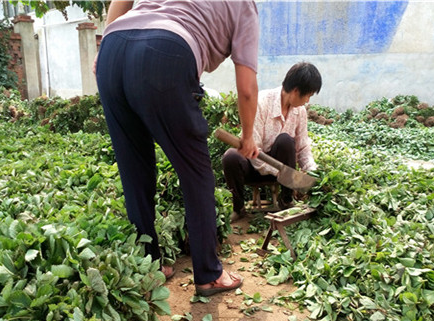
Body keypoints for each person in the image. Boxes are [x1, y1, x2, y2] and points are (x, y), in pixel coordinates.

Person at [95, 0, 260, 296]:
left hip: (112, 50)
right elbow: (246, 88)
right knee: (196, 173)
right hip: (165, 53)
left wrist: (108, 40)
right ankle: (209, 274)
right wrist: (248, 137)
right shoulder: (245, 5)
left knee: (134, 171)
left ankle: (150, 266)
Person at [222, 62, 322, 221]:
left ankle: (286, 200)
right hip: (254, 166)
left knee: (285, 141)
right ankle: (239, 208)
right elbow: (254, 152)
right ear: (296, 92)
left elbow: (303, 147)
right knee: (231, 156)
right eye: (308, 96)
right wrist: (283, 173)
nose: (308, 101)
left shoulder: (299, 111)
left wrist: (313, 172)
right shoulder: (261, 103)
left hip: (282, 174)